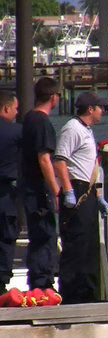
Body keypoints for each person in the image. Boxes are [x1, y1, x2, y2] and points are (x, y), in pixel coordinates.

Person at [54, 91, 108, 304]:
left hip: (87, 191)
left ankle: (88, 293)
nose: (103, 111)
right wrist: (68, 191)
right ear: (90, 109)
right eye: (100, 107)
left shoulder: (86, 130)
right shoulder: (72, 129)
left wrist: (98, 195)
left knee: (90, 245)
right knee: (76, 245)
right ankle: (71, 295)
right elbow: (60, 161)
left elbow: (91, 166)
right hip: (76, 190)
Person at [19, 77, 62, 290]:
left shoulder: (28, 118)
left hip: (27, 186)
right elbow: (44, 158)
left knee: (38, 235)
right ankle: (43, 283)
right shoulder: (42, 122)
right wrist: (56, 190)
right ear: (54, 97)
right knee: (46, 234)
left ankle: (38, 280)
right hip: (38, 189)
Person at [0, 91, 20, 294]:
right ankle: (1, 282)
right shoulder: (16, 132)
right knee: (6, 236)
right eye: (15, 109)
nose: (16, 112)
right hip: (6, 192)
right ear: (6, 108)